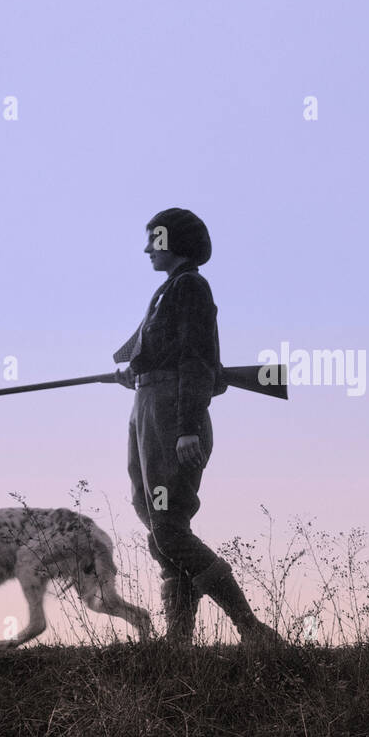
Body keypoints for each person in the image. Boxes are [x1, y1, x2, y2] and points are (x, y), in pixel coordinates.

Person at [113, 208, 280, 645]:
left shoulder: (190, 288)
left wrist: (187, 426)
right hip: (150, 406)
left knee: (168, 526)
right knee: (158, 527)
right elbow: (162, 352)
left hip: (170, 413)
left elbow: (195, 359)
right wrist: (135, 371)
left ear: (175, 242)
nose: (148, 248)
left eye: (156, 238)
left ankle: (251, 628)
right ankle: (179, 641)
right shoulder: (169, 290)